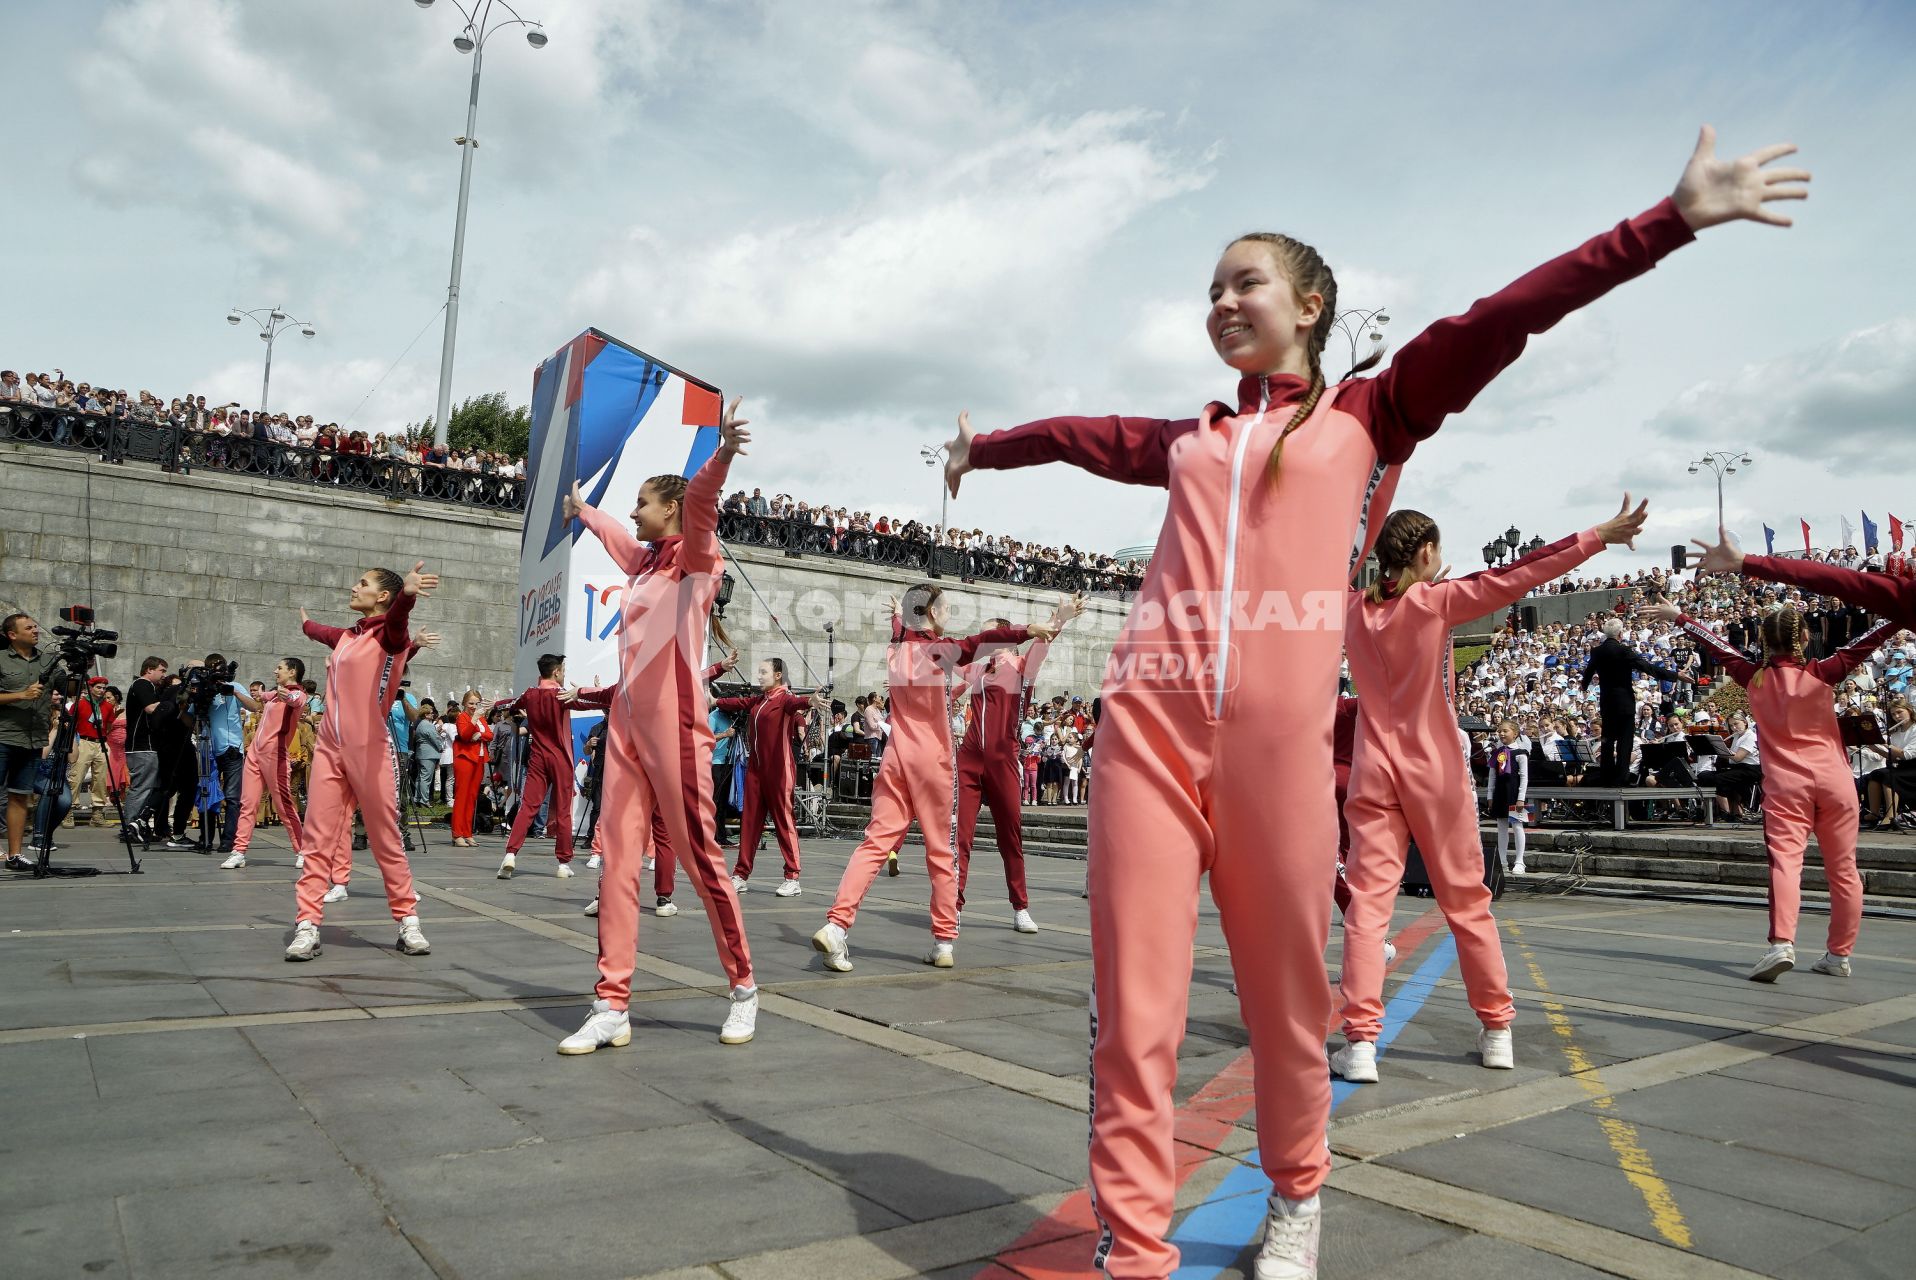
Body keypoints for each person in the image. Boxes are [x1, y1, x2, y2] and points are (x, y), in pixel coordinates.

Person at [938, 127, 1805, 1277]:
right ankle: (1131, 1249)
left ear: (1306, 305)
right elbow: (1074, 437)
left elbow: (1501, 319)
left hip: (1279, 759)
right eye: (1208, 288)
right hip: (1142, 734)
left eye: (1243, 280)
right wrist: (977, 451)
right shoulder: (1185, 439)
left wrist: (1665, 220)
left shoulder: (1366, 416)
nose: (1220, 299)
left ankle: (1296, 1194)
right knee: (1131, 1010)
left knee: (1289, 1005)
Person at [1334, 501, 1637, 1088]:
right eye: (1439, 552)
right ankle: (1497, 1030)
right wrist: (1596, 537)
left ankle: (1361, 1042)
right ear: (1425, 553)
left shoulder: (1352, 612)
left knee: (1369, 908)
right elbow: (1522, 572)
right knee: (1467, 904)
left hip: (1375, 769)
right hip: (1437, 772)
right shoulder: (1436, 603)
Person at [557, 399, 759, 1051]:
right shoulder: (644, 563)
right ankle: (611, 1003)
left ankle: (744, 987)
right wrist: (582, 511)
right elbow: (619, 537)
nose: (637, 511)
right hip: (625, 733)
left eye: (644, 502)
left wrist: (720, 456)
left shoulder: (695, 561)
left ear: (670, 510)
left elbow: (701, 504)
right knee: (616, 861)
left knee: (702, 861)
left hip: (675, 732)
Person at [812, 588, 1064, 973]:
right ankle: (944, 940)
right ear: (930, 612)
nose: (948, 613)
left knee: (875, 843)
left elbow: (905, 631)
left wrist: (899, 616)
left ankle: (836, 924)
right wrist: (1028, 628)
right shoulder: (941, 650)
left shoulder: (895, 650)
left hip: (896, 758)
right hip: (933, 761)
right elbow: (980, 642)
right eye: (944, 607)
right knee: (942, 853)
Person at [1648, 600, 1895, 980]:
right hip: (1836, 781)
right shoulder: (1826, 671)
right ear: (1806, 638)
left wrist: (1680, 618)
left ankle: (1782, 943)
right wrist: (1900, 616)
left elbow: (1717, 645)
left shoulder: (1754, 677)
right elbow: (1866, 641)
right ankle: (1838, 954)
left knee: (1785, 864)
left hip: (1786, 785)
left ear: (1763, 640)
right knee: (1844, 871)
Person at [284, 563, 439, 962]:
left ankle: (408, 920)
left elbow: (400, 624)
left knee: (386, 837)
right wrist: (306, 624)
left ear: (383, 596)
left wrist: (407, 595)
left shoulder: (389, 634)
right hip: (330, 750)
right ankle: (307, 924)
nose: (355, 586)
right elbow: (323, 633)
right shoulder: (349, 636)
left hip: (369, 748)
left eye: (364, 583)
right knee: (317, 837)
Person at [954, 599, 1086, 932]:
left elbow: (1043, 641)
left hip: (1003, 758)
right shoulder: (977, 670)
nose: (982, 642)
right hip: (968, 758)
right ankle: (952, 902)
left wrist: (1060, 619)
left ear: (1004, 636)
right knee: (960, 837)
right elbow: (947, 658)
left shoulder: (1022, 665)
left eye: (989, 635)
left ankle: (1020, 907)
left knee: (1010, 836)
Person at [717, 657, 826, 897]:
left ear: (778, 675)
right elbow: (739, 702)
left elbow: (797, 702)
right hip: (755, 771)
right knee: (749, 823)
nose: (759, 676)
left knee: (783, 822)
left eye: (763, 672)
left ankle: (792, 877)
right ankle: (741, 874)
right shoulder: (759, 700)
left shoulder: (784, 699)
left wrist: (810, 700)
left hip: (779, 771)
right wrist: (715, 701)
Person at [492, 654, 586, 878]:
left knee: (528, 806)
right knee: (563, 810)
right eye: (562, 671)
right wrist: (586, 690)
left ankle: (511, 854)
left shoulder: (530, 694)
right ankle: (563, 864)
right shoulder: (563, 695)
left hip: (538, 758)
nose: (564, 675)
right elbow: (593, 701)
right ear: (556, 672)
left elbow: (509, 704)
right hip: (560, 758)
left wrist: (495, 704)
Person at [221, 658, 308, 869]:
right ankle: (238, 851)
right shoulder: (276, 694)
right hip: (255, 755)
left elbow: (297, 700)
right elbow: (264, 697)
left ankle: (304, 850)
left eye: (280, 668)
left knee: (284, 805)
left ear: (292, 671)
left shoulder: (297, 694)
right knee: (247, 804)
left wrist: (287, 695)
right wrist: (261, 695)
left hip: (275, 755)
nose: (275, 670)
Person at [1580, 617, 1689, 784]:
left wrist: (1584, 685)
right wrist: (1675, 675)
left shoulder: (1597, 651)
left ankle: (1606, 775)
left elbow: (1588, 673)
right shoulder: (1624, 650)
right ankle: (1621, 777)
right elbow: (1648, 668)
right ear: (1620, 634)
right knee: (1625, 740)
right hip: (1624, 702)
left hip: (1607, 703)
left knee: (1607, 739)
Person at [0, 614, 66, 871]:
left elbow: (68, 686)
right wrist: (20, 695)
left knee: (19, 797)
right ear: (12, 635)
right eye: (28, 628)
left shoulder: (48, 661)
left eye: (35, 626)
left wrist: (82, 664)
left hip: (32, 739)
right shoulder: (2, 659)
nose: (35, 631)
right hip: (4, 735)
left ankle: (15, 855)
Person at [62, 676, 113, 828]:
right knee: (76, 777)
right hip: (83, 741)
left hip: (101, 743)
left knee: (101, 779)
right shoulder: (80, 704)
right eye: (98, 687)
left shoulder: (108, 706)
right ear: (91, 688)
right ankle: (68, 811)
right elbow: (69, 725)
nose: (101, 691)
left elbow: (108, 726)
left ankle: (97, 814)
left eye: (104, 688)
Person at [451, 689, 493, 849]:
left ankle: (468, 833)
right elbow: (466, 735)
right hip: (465, 759)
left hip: (479, 760)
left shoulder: (481, 718)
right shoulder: (462, 717)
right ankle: (457, 834)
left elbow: (490, 735)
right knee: (462, 797)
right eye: (471, 703)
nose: (474, 706)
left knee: (472, 798)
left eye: (476, 703)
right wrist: (474, 721)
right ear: (464, 703)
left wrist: (479, 735)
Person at [1489, 719, 1532, 876]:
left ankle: (1520, 861)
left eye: (1505, 731)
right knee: (1501, 827)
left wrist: (1521, 797)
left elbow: (1524, 777)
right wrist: (1489, 795)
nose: (1501, 733)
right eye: (1500, 731)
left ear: (1515, 733)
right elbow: (1492, 776)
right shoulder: (1497, 753)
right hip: (1500, 793)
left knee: (1517, 826)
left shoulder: (1521, 754)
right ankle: (1502, 860)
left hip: (1514, 794)